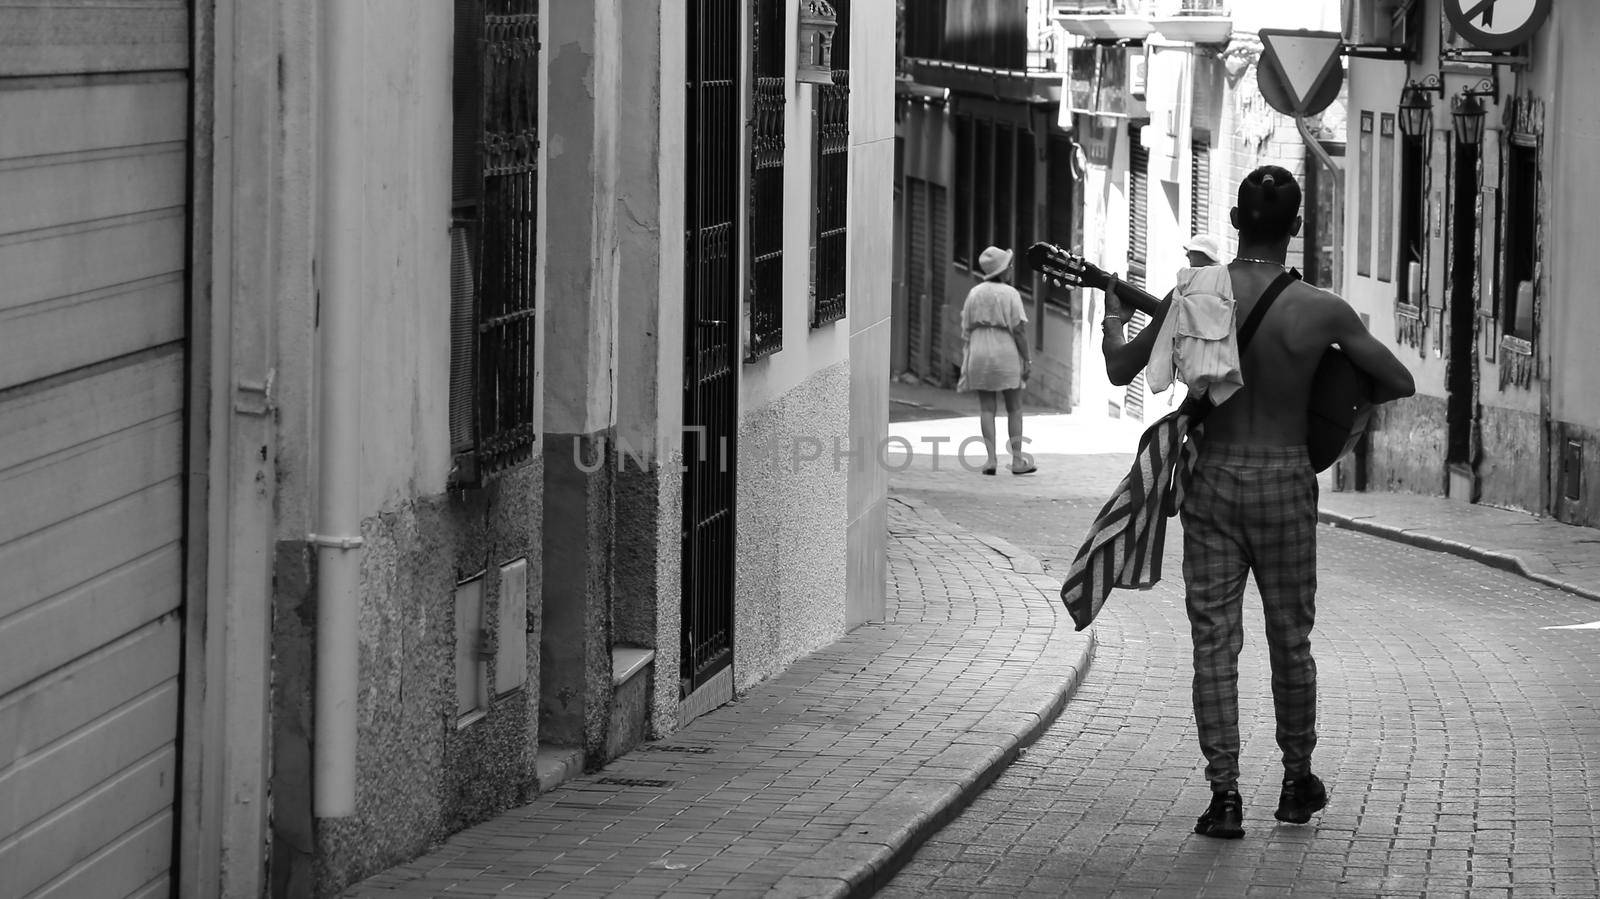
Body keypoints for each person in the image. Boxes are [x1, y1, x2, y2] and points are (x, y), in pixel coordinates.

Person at [1101, 166, 1416, 838]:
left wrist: (1108, 318)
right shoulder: (1322, 308)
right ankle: (1297, 780)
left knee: (1214, 642)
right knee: (1289, 640)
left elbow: (1122, 368)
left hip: (1212, 479)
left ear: (1237, 223)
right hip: (1285, 477)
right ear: (1296, 230)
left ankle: (1225, 798)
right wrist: (1332, 407)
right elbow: (1397, 379)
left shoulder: (1194, 290)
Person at [957, 246, 1037, 475]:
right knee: (1015, 407)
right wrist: (1027, 360)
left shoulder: (975, 293)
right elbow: (1019, 330)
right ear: (1003, 270)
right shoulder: (1010, 294)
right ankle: (1018, 460)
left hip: (979, 349)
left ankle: (991, 460)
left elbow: (965, 327)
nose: (1012, 269)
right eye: (1009, 265)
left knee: (987, 408)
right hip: (1005, 350)